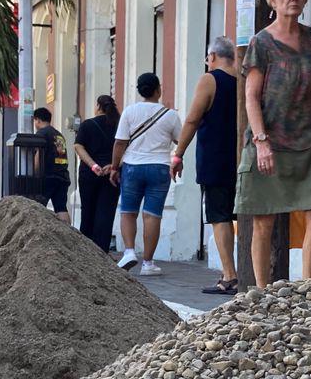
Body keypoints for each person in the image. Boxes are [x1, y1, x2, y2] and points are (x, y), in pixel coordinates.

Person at [238, 0, 311, 286]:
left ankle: (308, 288)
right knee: (264, 220)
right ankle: (262, 293)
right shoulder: (261, 43)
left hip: (309, 140)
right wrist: (261, 142)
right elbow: (251, 97)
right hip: (271, 142)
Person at [173, 37, 242, 295]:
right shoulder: (242, 80)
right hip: (242, 159)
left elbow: (192, 120)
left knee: (219, 216)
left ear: (212, 57)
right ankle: (250, 272)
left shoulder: (210, 79)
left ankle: (229, 276)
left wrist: (178, 154)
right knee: (244, 215)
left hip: (215, 159)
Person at [111, 73, 182, 275]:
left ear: (140, 90)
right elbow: (181, 140)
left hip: (132, 167)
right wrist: (178, 159)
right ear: (158, 90)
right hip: (159, 168)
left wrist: (115, 167)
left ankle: (129, 252)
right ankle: (148, 263)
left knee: (128, 211)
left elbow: (120, 143)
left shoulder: (129, 112)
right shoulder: (170, 115)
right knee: (152, 216)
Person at [73, 95, 122, 252]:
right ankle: (102, 252)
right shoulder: (119, 125)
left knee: (87, 210)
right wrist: (114, 166)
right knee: (106, 213)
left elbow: (78, 147)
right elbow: (125, 148)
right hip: (113, 174)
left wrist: (93, 165)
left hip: (89, 174)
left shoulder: (87, 125)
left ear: (98, 106)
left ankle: (86, 253)